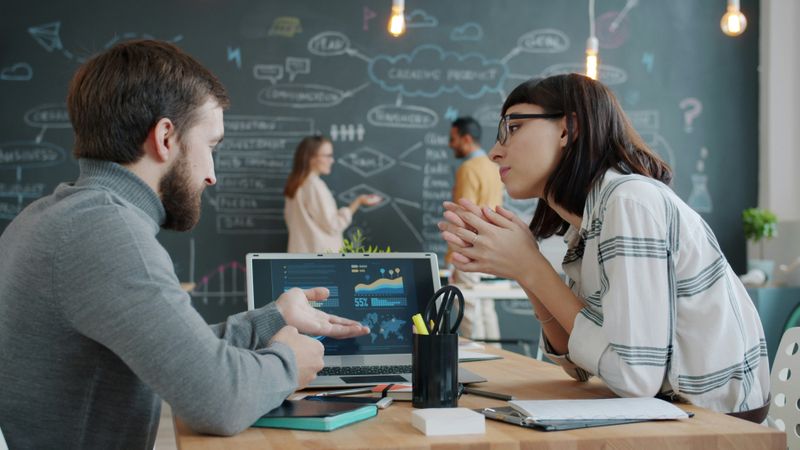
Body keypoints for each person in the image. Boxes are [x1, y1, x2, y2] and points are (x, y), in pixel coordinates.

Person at [0, 40, 370, 449]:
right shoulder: (106, 232)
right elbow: (219, 401)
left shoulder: (52, 216)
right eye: (210, 146)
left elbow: (176, 351)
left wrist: (273, 318)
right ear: (164, 138)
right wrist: (289, 363)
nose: (212, 175)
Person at [438, 74, 770, 418]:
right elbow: (578, 364)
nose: (495, 151)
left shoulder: (629, 202)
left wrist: (532, 268)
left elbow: (635, 377)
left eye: (514, 127)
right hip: (671, 414)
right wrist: (524, 269)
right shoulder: (586, 224)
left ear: (567, 129)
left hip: (716, 423)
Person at [446, 117, 504, 341]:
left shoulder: (468, 168)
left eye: (453, 139)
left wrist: (454, 255)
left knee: (468, 304)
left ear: (466, 139)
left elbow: (463, 215)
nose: (451, 144)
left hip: (469, 247)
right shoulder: (494, 166)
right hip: (492, 245)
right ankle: (499, 359)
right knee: (486, 306)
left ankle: (480, 361)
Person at [283, 135, 380, 252]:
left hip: (298, 255)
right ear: (311, 158)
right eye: (327, 156)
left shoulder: (295, 184)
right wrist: (358, 201)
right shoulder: (314, 186)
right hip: (319, 259)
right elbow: (333, 225)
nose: (332, 160)